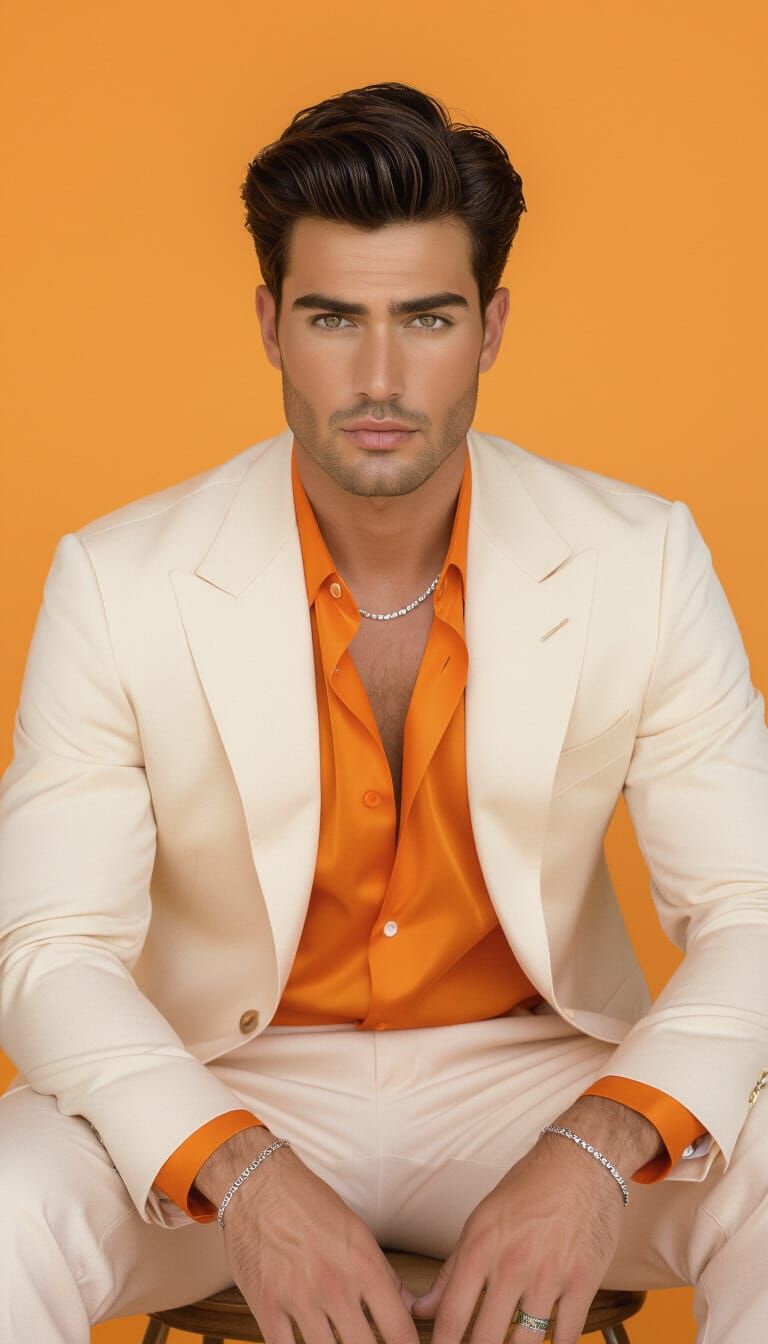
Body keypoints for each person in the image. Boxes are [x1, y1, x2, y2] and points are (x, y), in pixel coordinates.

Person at [0, 80, 766, 1344]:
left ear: (491, 325)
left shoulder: (643, 556)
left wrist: (590, 1149)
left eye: (425, 317)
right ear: (269, 326)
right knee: (10, 1198)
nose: (378, 374)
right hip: (226, 1071)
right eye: (331, 317)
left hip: (528, 1070)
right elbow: (48, 949)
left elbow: (750, 907)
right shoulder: (118, 577)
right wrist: (236, 1167)